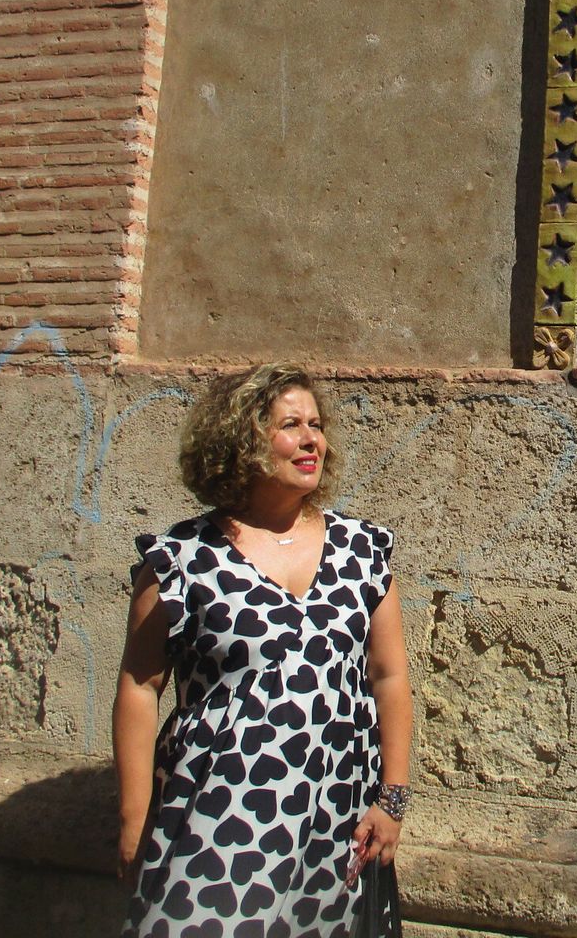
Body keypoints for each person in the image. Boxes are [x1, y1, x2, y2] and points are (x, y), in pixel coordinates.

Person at [113, 364, 412, 937]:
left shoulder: (362, 551)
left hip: (336, 816)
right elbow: (139, 686)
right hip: (220, 809)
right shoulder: (181, 560)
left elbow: (389, 677)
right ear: (242, 439)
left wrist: (392, 800)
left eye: (316, 425)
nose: (311, 440)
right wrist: (133, 813)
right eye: (291, 425)